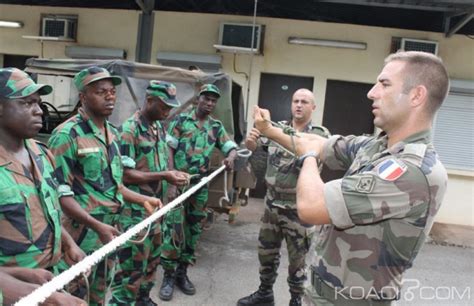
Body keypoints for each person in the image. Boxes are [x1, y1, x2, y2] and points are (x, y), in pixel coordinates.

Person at [252, 51, 450, 305]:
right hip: (324, 293)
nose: (372, 92)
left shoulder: (413, 171)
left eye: (385, 83)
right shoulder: (378, 146)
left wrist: (308, 158)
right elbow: (317, 142)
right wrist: (269, 130)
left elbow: (311, 207)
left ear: (416, 95)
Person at [48, 66, 162, 305]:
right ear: (83, 97)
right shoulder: (67, 135)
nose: (110, 96)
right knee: (73, 296)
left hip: (108, 230)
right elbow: (58, 195)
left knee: (99, 295)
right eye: (101, 92)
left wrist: (144, 200)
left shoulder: (112, 133)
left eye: (112, 91)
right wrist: (96, 225)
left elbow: (116, 186)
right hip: (80, 236)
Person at [0, 68, 86, 305]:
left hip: (49, 276)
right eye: (27, 103)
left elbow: (48, 211)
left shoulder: (40, 152)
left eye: (38, 102)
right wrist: (43, 298)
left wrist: (69, 244)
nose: (39, 110)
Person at [238, 89, 330, 306]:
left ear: (313, 107)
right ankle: (264, 293)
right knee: (266, 253)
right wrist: (251, 144)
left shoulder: (320, 134)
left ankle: (296, 300)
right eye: (295, 101)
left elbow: (314, 154)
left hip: (299, 209)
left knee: (298, 261)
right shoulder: (276, 128)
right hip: (272, 205)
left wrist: (270, 131)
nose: (299, 105)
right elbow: (256, 148)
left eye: (304, 102)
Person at [110, 81, 190, 306]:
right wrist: (165, 175)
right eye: (164, 106)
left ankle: (143, 299)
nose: (168, 111)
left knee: (152, 261)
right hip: (135, 213)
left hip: (156, 211)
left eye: (171, 106)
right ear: (150, 101)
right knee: (131, 270)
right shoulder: (129, 130)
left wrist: (172, 179)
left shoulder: (158, 126)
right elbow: (125, 176)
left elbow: (160, 161)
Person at [159, 84, 238, 301]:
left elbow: (230, 146)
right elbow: (169, 149)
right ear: (198, 99)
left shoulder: (216, 126)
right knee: (173, 229)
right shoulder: (181, 121)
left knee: (194, 229)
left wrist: (230, 156)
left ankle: (182, 273)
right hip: (178, 182)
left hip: (200, 185)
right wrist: (172, 179)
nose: (210, 103)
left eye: (214, 100)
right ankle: (168, 275)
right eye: (207, 99)